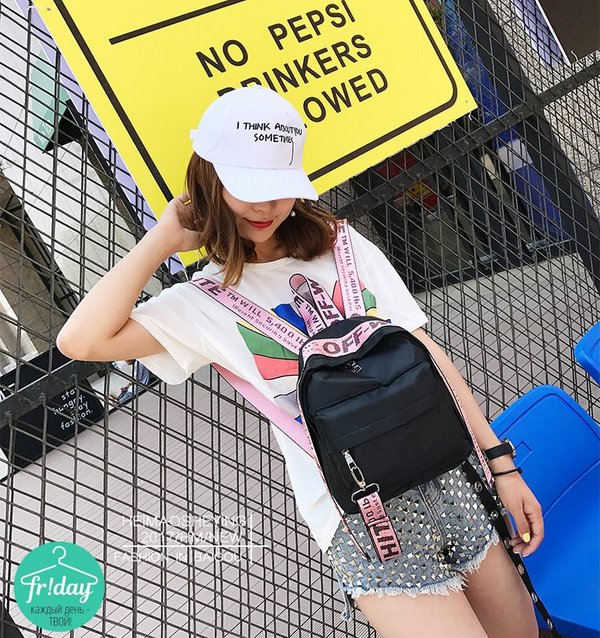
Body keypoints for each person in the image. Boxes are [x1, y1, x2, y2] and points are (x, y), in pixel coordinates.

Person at [56, 86, 542, 638]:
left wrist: (500, 465)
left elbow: (427, 356)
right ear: (209, 181)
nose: (266, 207)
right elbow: (81, 341)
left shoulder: (342, 245)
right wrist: (162, 239)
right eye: (248, 189)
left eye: (280, 188)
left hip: (448, 475)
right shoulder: (203, 302)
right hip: (362, 518)